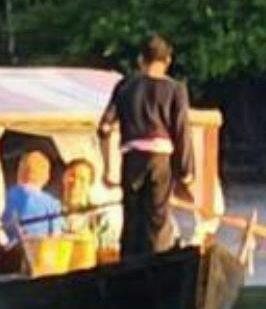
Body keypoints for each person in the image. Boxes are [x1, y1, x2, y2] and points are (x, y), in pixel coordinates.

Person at [98, 33, 193, 258]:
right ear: (168, 60)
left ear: (141, 60)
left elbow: (104, 127)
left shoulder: (124, 86)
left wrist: (106, 168)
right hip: (160, 160)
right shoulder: (175, 90)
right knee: (157, 217)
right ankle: (156, 263)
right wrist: (186, 174)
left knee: (132, 217)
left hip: (131, 158)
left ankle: (129, 266)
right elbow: (182, 133)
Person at [0, 147, 65, 256]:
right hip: (40, 255)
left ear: (20, 172)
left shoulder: (5, 196)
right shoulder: (53, 203)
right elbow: (55, 237)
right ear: (46, 177)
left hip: (10, 253)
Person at [61, 157, 119, 250]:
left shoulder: (99, 219)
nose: (76, 183)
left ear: (89, 185)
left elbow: (110, 252)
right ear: (63, 178)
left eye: (82, 179)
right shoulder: (49, 211)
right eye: (72, 176)